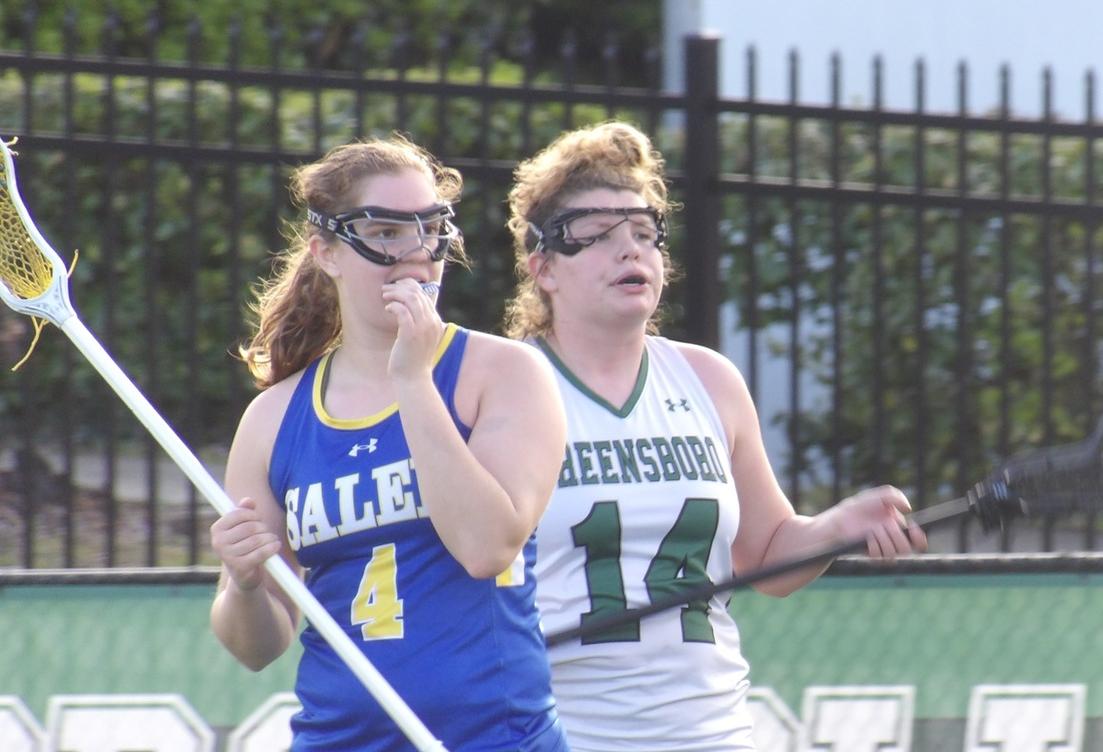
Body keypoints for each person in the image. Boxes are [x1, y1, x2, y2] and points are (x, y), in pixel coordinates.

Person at [502, 121, 928, 751]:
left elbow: (767, 554)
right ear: (544, 268)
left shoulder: (708, 379)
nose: (630, 251)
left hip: (713, 733)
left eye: (644, 233)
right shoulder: (503, 385)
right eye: (599, 235)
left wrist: (838, 526)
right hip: (560, 734)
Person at [209, 135, 570, 752]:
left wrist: (413, 380)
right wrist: (243, 584)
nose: (416, 256)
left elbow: (486, 546)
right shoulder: (272, 419)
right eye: (384, 233)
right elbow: (257, 647)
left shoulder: (506, 373)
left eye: (430, 230)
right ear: (326, 252)